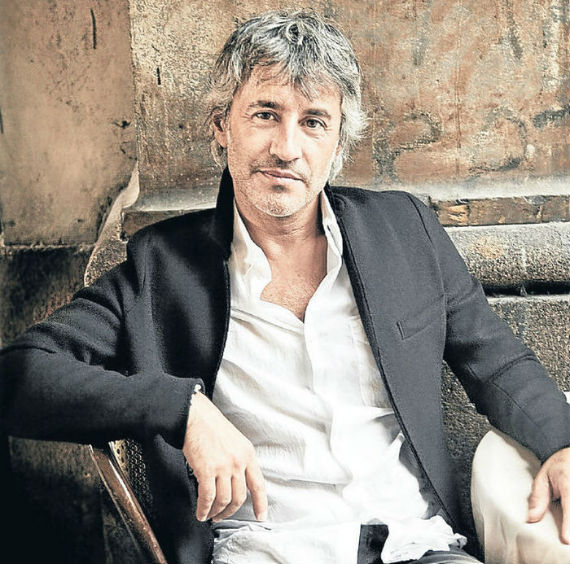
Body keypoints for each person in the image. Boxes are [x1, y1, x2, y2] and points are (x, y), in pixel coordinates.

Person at [1, 10, 569, 564]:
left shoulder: (405, 232)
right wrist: (183, 409)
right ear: (221, 126)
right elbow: (19, 376)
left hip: (417, 546)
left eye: (314, 121)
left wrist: (564, 442)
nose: (286, 148)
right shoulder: (161, 268)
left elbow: (499, 365)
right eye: (265, 114)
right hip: (265, 550)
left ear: (338, 142)